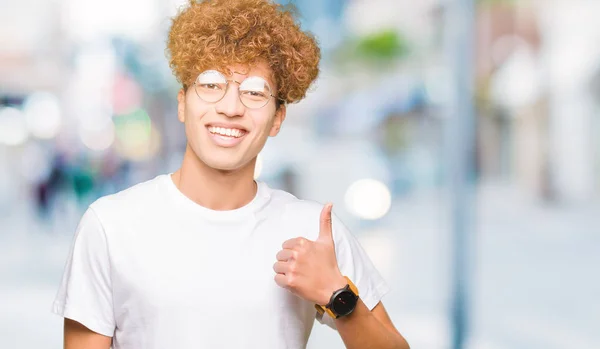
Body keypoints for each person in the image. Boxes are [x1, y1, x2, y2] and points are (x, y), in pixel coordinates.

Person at [52, 0, 410, 348]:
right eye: (211, 85)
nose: (230, 107)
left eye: (255, 92)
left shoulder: (313, 232)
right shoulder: (110, 225)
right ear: (182, 102)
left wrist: (337, 296)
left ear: (278, 118)